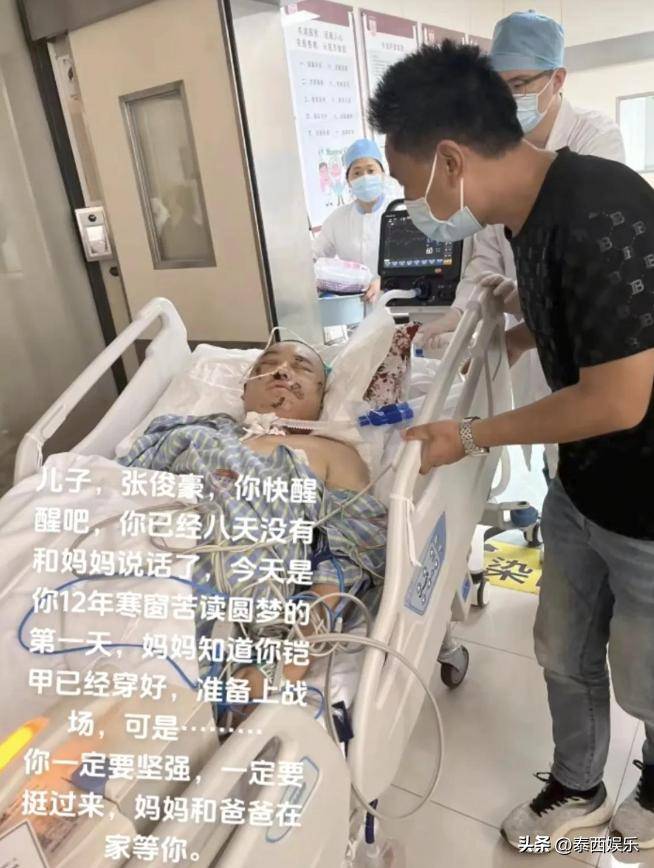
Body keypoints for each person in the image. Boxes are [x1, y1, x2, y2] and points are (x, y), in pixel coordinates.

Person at [369, 40, 654, 850]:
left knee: (646, 670)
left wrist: (468, 434)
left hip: (646, 499)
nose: (413, 207)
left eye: (408, 186)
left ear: (451, 160)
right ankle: (577, 783)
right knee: (561, 648)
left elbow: (618, 398)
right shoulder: (523, 212)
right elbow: (586, 324)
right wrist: (515, 330)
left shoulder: (600, 209)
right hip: (583, 485)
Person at [417, 11, 625, 477]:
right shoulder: (496, 149)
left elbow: (585, 265)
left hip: (589, 351)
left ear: (557, 79)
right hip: (538, 334)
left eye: (519, 83)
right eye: (497, 86)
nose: (506, 98)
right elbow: (487, 253)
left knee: (593, 446)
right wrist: (461, 314)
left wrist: (528, 311)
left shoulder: (595, 142)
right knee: (560, 464)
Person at [312, 138, 394, 301]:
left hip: (395, 305)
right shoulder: (337, 220)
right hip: (353, 309)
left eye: (371, 170)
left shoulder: (399, 211)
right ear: (348, 181)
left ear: (383, 174)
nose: (365, 177)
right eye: (357, 173)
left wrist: (386, 281)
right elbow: (314, 255)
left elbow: (416, 262)